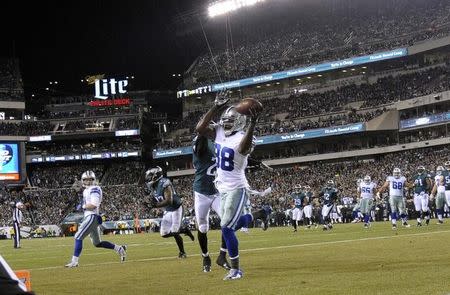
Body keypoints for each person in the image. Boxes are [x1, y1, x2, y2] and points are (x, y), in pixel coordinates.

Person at [196, 93, 259, 280]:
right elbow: (200, 128)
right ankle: (254, 216)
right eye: (225, 119)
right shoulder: (219, 132)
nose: (226, 122)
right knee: (227, 227)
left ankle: (236, 269)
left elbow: (243, 149)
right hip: (221, 188)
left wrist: (252, 124)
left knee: (225, 227)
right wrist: (215, 107)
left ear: (240, 122)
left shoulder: (243, 136)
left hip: (237, 188)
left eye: (231, 119)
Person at [65, 171, 127, 268]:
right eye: (86, 180)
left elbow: (94, 204)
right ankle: (119, 248)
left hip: (92, 216)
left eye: (90, 180)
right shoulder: (87, 190)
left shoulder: (94, 189)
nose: (88, 182)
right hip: (92, 217)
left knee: (78, 236)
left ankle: (74, 261)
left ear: (94, 180)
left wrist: (83, 206)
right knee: (97, 243)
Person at [192, 134, 230, 272]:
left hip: (218, 191)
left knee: (227, 222)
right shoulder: (201, 141)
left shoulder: (221, 142)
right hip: (202, 192)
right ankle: (205, 257)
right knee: (202, 228)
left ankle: (222, 255)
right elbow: (200, 146)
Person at [145, 166, 195, 258]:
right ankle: (184, 230)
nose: (148, 178)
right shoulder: (153, 186)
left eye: (150, 176)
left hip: (176, 208)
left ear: (156, 176)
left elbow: (169, 200)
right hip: (168, 210)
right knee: (164, 234)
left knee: (175, 231)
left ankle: (182, 252)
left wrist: (155, 205)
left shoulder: (164, 183)